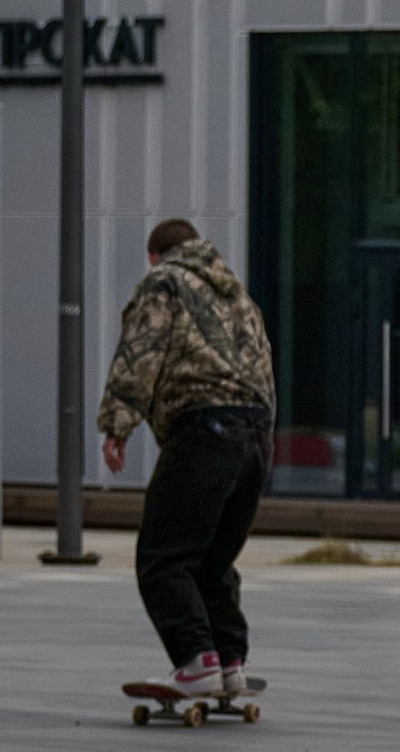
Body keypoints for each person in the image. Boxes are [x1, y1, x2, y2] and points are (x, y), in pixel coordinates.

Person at [97, 216, 278, 698]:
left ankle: (197, 660)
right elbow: (263, 366)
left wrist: (117, 424)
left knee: (163, 557)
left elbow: (142, 352)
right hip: (257, 435)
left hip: (205, 432)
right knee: (213, 561)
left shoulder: (164, 282)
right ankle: (230, 661)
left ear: (156, 255)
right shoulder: (238, 294)